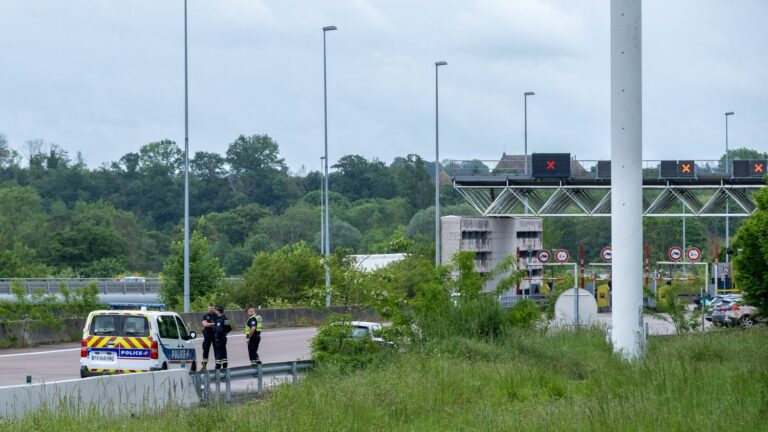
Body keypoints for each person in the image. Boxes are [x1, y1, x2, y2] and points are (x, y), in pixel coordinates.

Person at [200, 304, 216, 370]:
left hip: (215, 335)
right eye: (209, 308)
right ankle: (204, 366)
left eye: (211, 308)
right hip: (207, 335)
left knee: (217, 350)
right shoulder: (205, 316)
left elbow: (220, 323)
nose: (210, 309)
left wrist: (210, 324)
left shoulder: (217, 315)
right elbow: (205, 324)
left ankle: (217, 366)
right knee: (205, 350)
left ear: (214, 308)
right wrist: (213, 324)